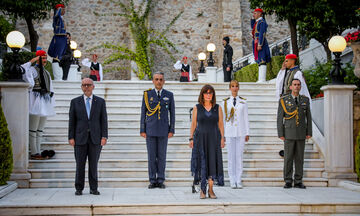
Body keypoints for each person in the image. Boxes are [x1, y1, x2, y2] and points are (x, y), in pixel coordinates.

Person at [68, 78, 108, 196]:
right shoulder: (75, 102)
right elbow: (72, 121)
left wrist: (104, 136)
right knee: (80, 164)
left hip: (95, 138)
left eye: (89, 85)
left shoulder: (100, 102)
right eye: (84, 85)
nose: (86, 87)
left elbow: (103, 120)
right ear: (81, 87)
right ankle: (79, 188)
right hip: (79, 138)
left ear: (93, 86)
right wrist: (71, 137)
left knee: (93, 164)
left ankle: (93, 188)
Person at [140, 72, 175, 189]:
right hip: (150, 130)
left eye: (161, 79)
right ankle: (152, 180)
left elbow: (172, 114)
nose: (159, 81)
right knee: (151, 157)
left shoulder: (169, 95)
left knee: (162, 156)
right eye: (156, 79)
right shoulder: (147, 95)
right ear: (153, 81)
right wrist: (142, 129)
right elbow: (143, 113)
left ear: (164, 81)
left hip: (164, 130)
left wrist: (172, 129)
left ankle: (160, 180)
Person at [189, 85, 225, 199]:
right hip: (200, 139)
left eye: (210, 93)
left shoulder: (218, 108)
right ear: (202, 94)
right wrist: (191, 138)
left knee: (212, 164)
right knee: (201, 163)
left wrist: (223, 138)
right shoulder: (197, 107)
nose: (208, 95)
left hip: (214, 139)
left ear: (213, 95)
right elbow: (194, 124)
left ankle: (211, 189)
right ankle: (202, 190)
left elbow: (221, 124)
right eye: (206, 93)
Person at [277, 78, 312, 189]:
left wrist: (309, 132)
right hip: (289, 133)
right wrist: (281, 133)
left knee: (299, 158)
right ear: (290, 87)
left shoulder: (305, 100)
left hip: (301, 132)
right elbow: (280, 118)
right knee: (288, 158)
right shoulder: (284, 100)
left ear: (300, 87)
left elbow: (309, 117)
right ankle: (288, 180)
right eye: (294, 84)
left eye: (298, 85)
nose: (296, 86)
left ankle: (298, 181)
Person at [21, 50, 56, 160]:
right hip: (35, 102)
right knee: (33, 129)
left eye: (45, 58)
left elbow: (51, 89)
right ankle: (34, 152)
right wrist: (32, 61)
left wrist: (51, 102)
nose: (44, 61)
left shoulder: (47, 73)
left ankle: (38, 150)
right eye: (42, 58)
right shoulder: (31, 70)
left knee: (40, 129)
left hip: (45, 102)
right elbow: (22, 69)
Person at [221, 80, 249, 189]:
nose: (234, 88)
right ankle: (232, 179)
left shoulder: (243, 102)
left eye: (236, 86)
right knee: (231, 156)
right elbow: (223, 119)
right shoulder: (225, 102)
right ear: (229, 88)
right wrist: (222, 134)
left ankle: (238, 179)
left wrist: (247, 132)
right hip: (229, 132)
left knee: (239, 156)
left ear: (238, 88)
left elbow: (246, 118)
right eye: (232, 86)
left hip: (240, 132)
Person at [251, 8, 271, 83]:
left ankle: (262, 79)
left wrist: (260, 43)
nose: (254, 15)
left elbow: (262, 33)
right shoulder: (257, 22)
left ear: (259, 13)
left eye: (255, 13)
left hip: (259, 42)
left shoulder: (262, 22)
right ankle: (260, 79)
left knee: (262, 59)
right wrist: (252, 19)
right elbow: (252, 28)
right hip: (255, 41)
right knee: (259, 60)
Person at [48, 4, 67, 80]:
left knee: (60, 56)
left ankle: (59, 76)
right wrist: (59, 8)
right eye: (63, 9)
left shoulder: (61, 19)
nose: (64, 11)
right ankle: (57, 77)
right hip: (59, 37)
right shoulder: (57, 18)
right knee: (56, 57)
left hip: (62, 38)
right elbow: (56, 15)